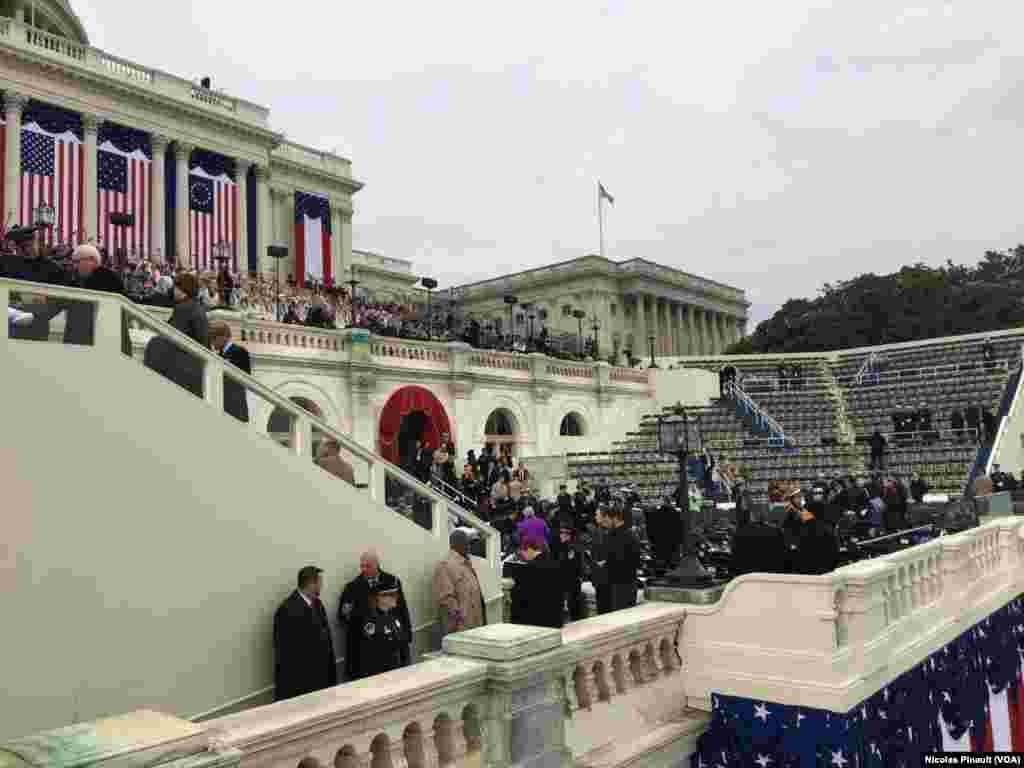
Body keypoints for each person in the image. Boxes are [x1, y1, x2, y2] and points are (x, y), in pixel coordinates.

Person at [338, 551, 412, 681]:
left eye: (368, 566)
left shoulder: (392, 582)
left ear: (377, 565)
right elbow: (343, 617)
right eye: (362, 566)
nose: (364, 569)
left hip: (390, 645)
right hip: (366, 650)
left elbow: (402, 611)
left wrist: (406, 636)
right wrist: (347, 612)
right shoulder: (352, 587)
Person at [272, 565, 337, 701]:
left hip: (322, 680)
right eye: (319, 582)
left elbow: (326, 640)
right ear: (311, 583)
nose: (321, 586)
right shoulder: (287, 610)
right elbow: (286, 654)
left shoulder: (317, 604)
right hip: (301, 686)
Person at [62, 243, 126, 347]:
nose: (75, 266)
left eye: (77, 262)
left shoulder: (109, 279)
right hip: (77, 339)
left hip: (102, 339)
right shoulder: (75, 279)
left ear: (92, 260)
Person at [432, 530, 485, 638]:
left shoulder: (465, 563)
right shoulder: (445, 565)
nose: (469, 547)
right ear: (456, 544)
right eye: (466, 543)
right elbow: (446, 598)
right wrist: (460, 622)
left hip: (475, 626)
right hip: (461, 629)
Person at [591, 502, 640, 614]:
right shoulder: (631, 534)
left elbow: (616, 559)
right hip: (628, 583)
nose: (606, 521)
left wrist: (605, 564)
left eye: (609, 518)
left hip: (618, 584)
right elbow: (636, 561)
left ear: (615, 518)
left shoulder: (615, 536)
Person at [355, 585, 410, 678]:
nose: (396, 597)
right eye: (392, 595)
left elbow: (402, 643)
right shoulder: (372, 621)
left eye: (396, 594)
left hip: (397, 670)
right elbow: (369, 653)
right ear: (380, 598)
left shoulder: (393, 616)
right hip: (381, 674)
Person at [509, 537, 565, 628]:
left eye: (523, 551)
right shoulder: (555, 564)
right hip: (555, 618)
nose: (522, 555)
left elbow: (520, 595)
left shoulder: (528, 568)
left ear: (530, 549)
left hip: (536, 621)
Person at [787, 489, 839, 576]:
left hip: (810, 573)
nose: (803, 513)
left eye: (805, 511)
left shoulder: (805, 530)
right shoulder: (828, 529)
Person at [209, 320, 252, 422]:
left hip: (236, 407)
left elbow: (246, 378)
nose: (212, 342)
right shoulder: (218, 356)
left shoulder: (240, 352)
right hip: (222, 405)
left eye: (213, 338)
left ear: (223, 337)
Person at [730, 505, 788, 576]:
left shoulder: (739, 533)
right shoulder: (776, 532)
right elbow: (784, 557)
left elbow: (735, 560)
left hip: (747, 578)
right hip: (771, 576)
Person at [550, 521, 585, 621]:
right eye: (561, 532)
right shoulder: (560, 545)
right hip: (564, 579)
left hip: (572, 579)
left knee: (574, 605)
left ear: (570, 534)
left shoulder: (573, 547)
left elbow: (574, 565)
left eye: (565, 533)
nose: (562, 535)